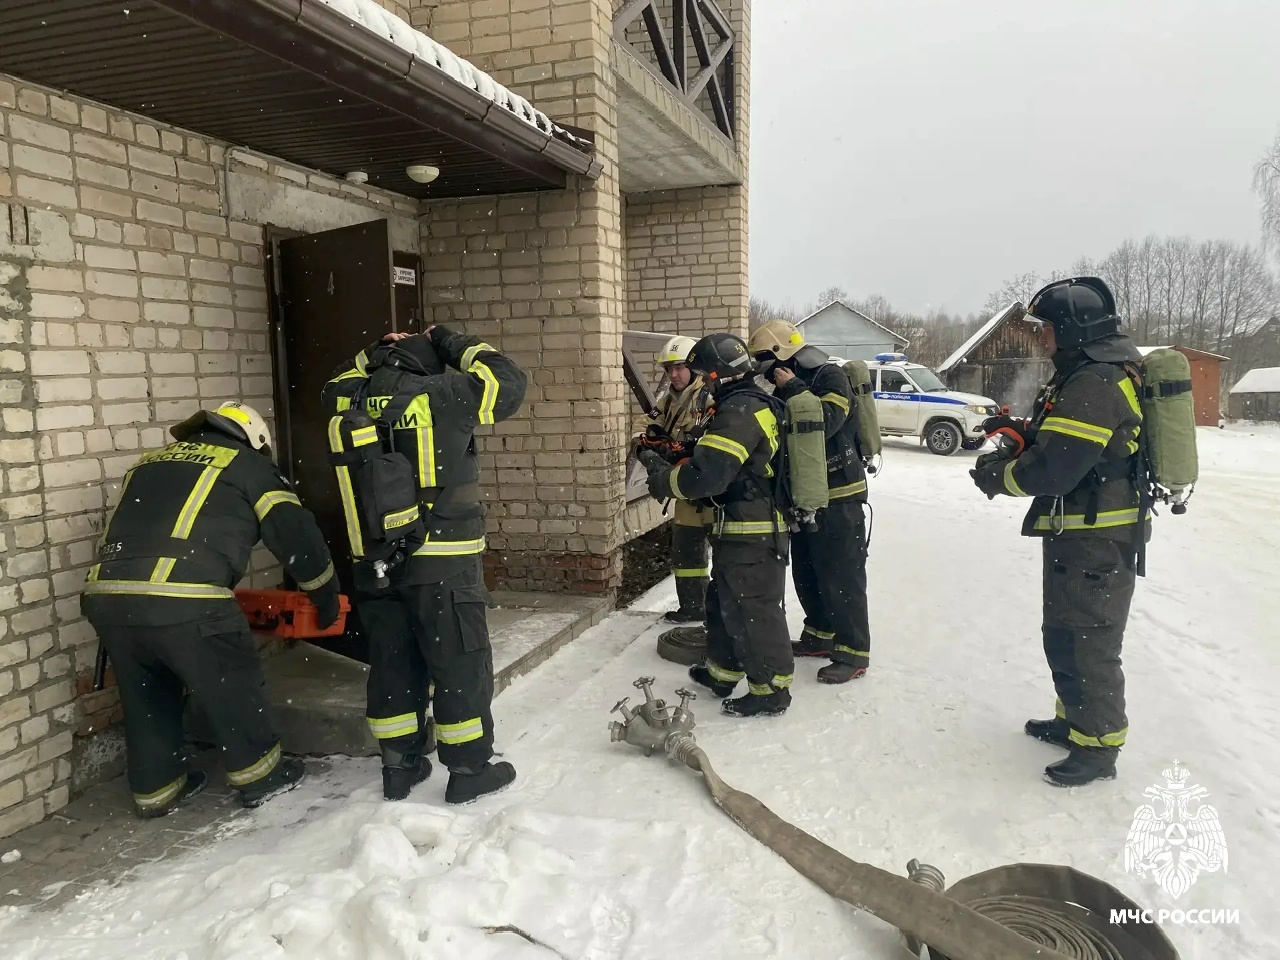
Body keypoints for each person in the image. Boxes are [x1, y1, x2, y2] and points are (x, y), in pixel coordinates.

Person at [81, 402, 339, 818]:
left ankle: (156, 790)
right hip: (186, 597)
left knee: (148, 694)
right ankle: (262, 778)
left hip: (108, 597)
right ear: (255, 440)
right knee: (232, 683)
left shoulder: (148, 462)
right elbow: (297, 536)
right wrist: (325, 596)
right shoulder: (248, 466)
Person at [322, 324, 527, 804]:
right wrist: (450, 341)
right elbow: (509, 380)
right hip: (444, 560)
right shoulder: (447, 392)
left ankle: (399, 767)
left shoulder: (348, 397)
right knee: (459, 662)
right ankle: (469, 770)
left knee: (393, 662)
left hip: (376, 560)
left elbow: (335, 381)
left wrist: (376, 349)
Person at [969, 276, 1145, 787]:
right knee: (1064, 632)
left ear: (1072, 329)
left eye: (1047, 328)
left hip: (1097, 538)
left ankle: (1099, 748)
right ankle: (1075, 722)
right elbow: (1062, 440)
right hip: (1079, 533)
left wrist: (997, 478)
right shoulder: (1082, 375)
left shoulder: (1095, 383)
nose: (1041, 336)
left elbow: (1054, 469)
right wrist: (1021, 432)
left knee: (1088, 639)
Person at [638, 333, 794, 717]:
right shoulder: (739, 405)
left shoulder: (740, 410)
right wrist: (675, 452)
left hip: (753, 528)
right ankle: (722, 673)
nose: (699, 383)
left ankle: (772, 690)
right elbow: (712, 452)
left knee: (753, 610)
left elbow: (707, 476)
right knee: (724, 603)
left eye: (699, 374)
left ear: (715, 374)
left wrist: (663, 479)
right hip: (738, 525)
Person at [747, 320, 872, 684]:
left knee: (842, 576)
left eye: (763, 360)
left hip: (840, 497)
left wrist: (795, 389)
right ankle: (819, 634)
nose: (762, 369)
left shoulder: (829, 376)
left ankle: (853, 652)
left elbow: (828, 422)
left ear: (780, 354)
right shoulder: (784, 385)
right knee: (807, 571)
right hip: (803, 496)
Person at [652, 335, 712, 625]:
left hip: (712, 491)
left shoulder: (708, 398)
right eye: (669, 369)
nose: (673, 375)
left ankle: (722, 610)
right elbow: (646, 423)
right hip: (685, 489)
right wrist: (647, 445)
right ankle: (692, 607)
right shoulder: (667, 402)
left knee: (726, 554)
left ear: (694, 368)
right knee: (686, 551)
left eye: (679, 368)